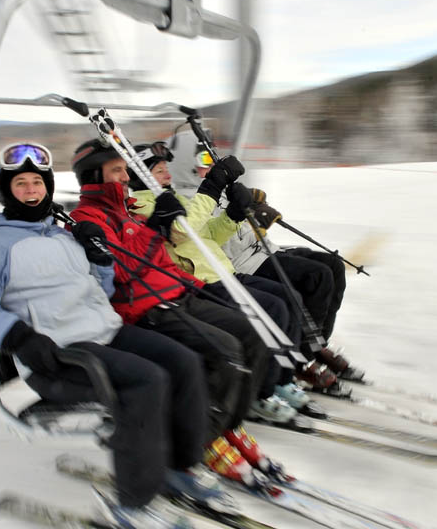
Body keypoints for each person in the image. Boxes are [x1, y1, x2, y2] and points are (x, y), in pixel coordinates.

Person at [0, 142, 230, 529]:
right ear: (5, 191)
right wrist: (19, 336)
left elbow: (98, 289)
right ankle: (133, 506)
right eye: (21, 184)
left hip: (103, 333)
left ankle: (179, 465)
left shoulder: (64, 236)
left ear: (47, 187)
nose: (31, 190)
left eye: (37, 182)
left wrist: (98, 258)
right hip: (58, 354)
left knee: (183, 361)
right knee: (146, 381)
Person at [69, 138, 289, 486]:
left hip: (177, 291)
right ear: (94, 177)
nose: (125, 177)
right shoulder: (87, 220)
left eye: (125, 170)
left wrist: (178, 263)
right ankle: (205, 438)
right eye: (117, 171)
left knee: (253, 333)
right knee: (224, 351)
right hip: (147, 307)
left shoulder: (126, 209)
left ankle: (229, 424)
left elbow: (159, 257)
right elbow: (121, 272)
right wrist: (157, 225)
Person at [127, 140, 344, 398]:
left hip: (223, 272)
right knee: (276, 306)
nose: (167, 172)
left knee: (288, 297)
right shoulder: (142, 205)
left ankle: (287, 372)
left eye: (165, 166)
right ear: (140, 176)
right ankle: (270, 386)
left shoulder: (171, 197)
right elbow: (181, 231)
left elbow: (208, 236)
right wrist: (212, 186)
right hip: (200, 282)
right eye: (158, 169)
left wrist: (233, 215)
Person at [166, 131, 362, 382]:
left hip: (261, 249)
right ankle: (302, 353)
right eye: (203, 158)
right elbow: (215, 245)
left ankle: (316, 343)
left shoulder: (214, 189)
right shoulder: (192, 199)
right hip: (245, 261)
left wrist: (253, 212)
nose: (210, 164)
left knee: (333, 265)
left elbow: (232, 228)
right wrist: (256, 223)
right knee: (317, 278)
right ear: (185, 163)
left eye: (210, 158)